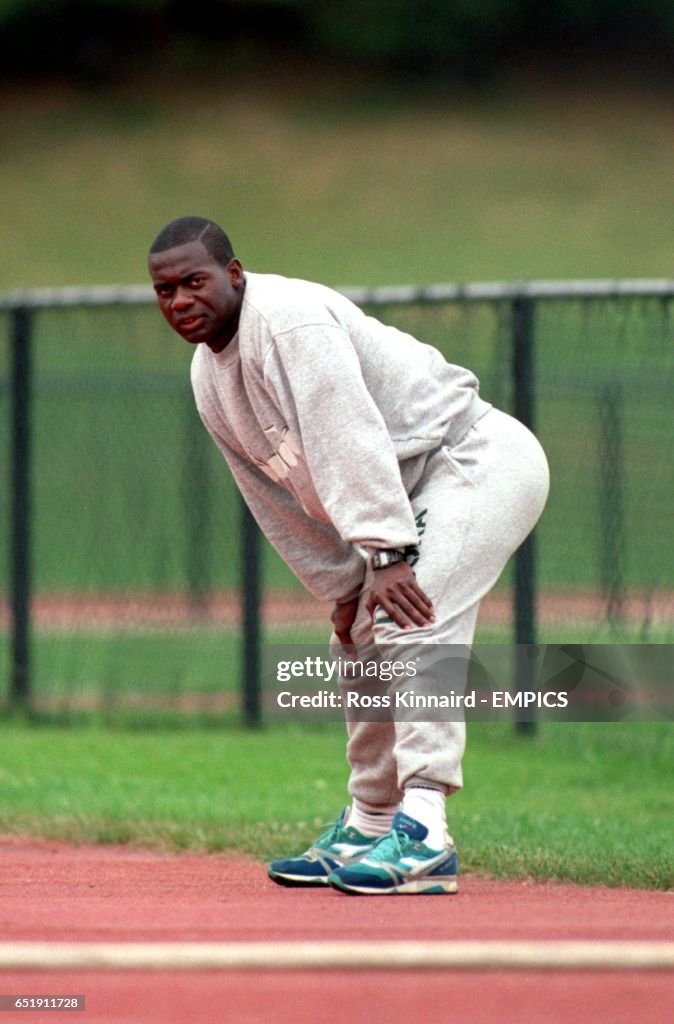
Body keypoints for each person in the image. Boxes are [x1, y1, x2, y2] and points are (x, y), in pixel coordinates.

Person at [148, 215, 549, 896]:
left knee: (410, 615)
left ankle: (425, 831)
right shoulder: (208, 376)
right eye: (165, 290)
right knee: (361, 637)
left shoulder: (288, 323)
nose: (181, 300)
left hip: (471, 459)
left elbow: (347, 435)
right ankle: (372, 820)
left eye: (195, 281)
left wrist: (388, 553)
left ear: (234, 274)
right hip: (398, 492)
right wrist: (341, 589)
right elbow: (274, 490)